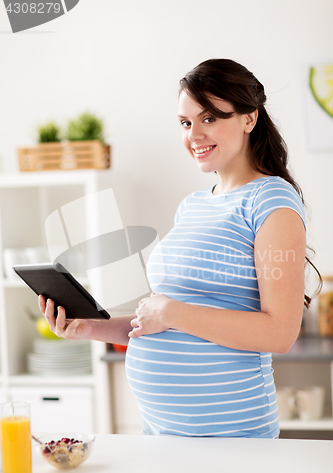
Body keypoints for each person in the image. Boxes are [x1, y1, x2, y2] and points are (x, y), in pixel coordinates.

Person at [39, 59, 320, 439]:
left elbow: (280, 333)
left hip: (231, 435)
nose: (194, 135)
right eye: (186, 123)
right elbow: (158, 321)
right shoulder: (194, 205)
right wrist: (88, 327)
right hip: (162, 433)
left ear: (249, 118)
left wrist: (172, 311)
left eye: (209, 119)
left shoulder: (272, 202)